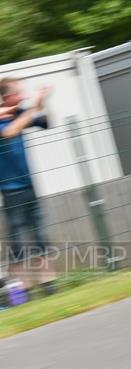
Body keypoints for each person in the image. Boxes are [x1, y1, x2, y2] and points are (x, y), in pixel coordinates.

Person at [0, 77, 56, 296]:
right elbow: (10, 132)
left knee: (40, 236)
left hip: (30, 185)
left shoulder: (20, 112)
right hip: (10, 190)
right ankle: (22, 291)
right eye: (18, 93)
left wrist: (43, 102)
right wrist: (33, 107)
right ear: (7, 96)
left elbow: (45, 122)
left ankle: (49, 285)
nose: (22, 96)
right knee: (17, 242)